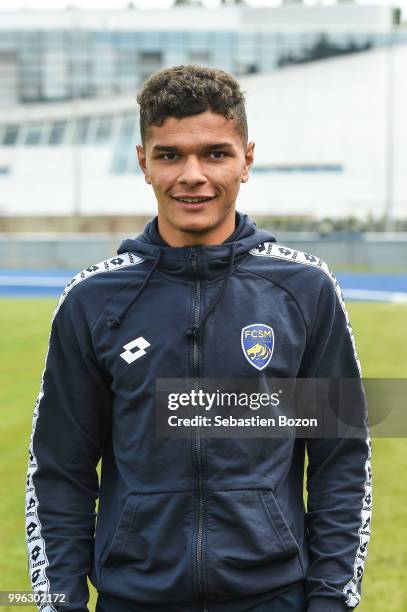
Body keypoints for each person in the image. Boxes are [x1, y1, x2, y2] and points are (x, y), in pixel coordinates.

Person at [25, 65, 372, 612]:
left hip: (274, 598)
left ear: (246, 159)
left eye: (215, 153)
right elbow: (60, 470)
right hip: (133, 598)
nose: (192, 175)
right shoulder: (92, 301)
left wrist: (331, 598)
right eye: (169, 155)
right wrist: (58, 602)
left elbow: (341, 460)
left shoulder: (304, 290)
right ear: (143, 162)